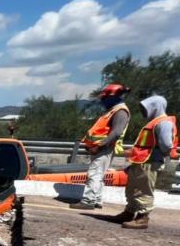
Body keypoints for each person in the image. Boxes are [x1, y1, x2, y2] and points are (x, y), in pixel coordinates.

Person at [114, 95, 177, 229]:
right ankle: (129, 213)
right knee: (133, 189)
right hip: (141, 161)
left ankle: (143, 218)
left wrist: (158, 153)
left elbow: (166, 145)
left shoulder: (163, 122)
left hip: (150, 162)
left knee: (144, 191)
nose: (144, 111)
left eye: (146, 108)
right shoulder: (155, 122)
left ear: (155, 107)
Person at [73, 84, 131, 210]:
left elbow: (116, 132)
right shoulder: (113, 110)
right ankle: (97, 200)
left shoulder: (120, 111)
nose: (103, 101)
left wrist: (99, 146)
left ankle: (88, 201)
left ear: (113, 97)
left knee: (94, 174)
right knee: (98, 174)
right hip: (101, 148)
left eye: (104, 99)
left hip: (104, 148)